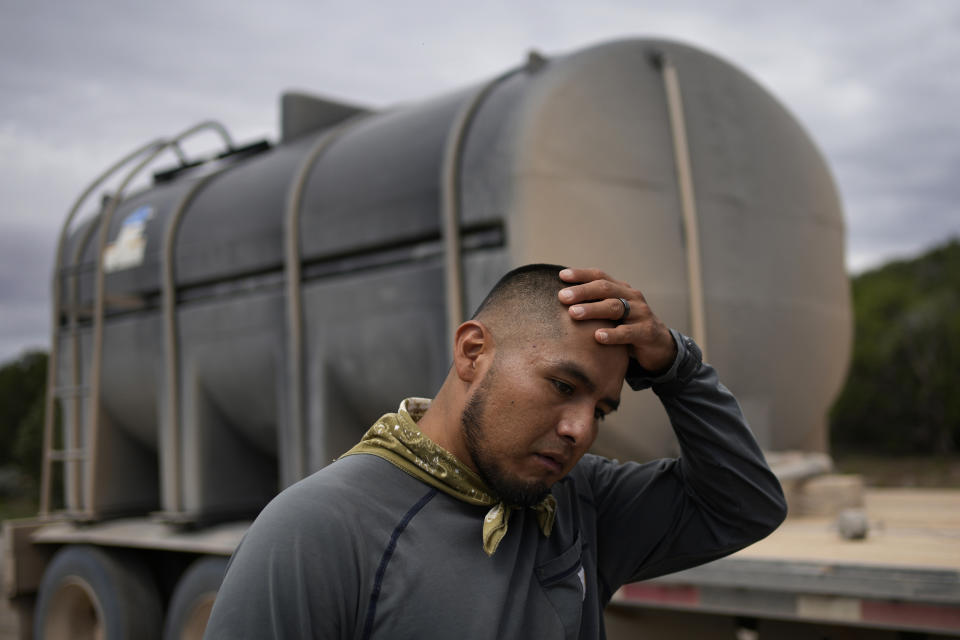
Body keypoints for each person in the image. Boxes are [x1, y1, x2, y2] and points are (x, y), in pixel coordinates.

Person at [205, 265, 787, 640]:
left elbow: (743, 505)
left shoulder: (578, 502)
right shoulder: (320, 528)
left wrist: (677, 367)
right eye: (563, 387)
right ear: (472, 351)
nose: (580, 430)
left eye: (602, 411)